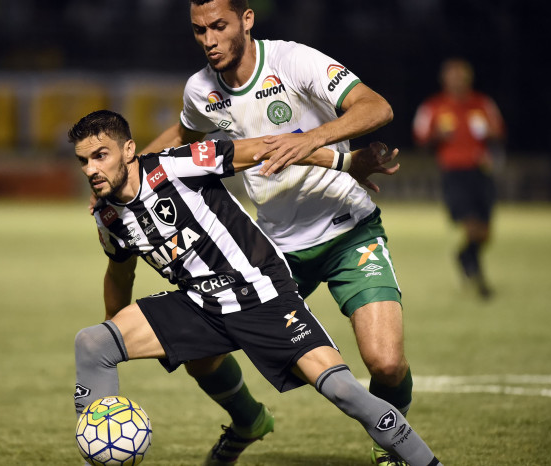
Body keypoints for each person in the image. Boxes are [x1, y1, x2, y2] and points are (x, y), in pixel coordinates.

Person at [69, 109, 442, 466]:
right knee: (93, 343)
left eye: (100, 155)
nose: (92, 169)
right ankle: (97, 458)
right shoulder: (108, 216)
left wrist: (343, 163)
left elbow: (266, 148)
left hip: (259, 292)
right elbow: (119, 274)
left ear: (129, 149)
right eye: (84, 161)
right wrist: (112, 328)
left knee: (343, 391)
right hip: (199, 303)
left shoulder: (176, 165)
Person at [134, 1, 413, 464]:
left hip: (347, 229)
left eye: (219, 26)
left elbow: (376, 106)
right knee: (199, 352)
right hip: (272, 249)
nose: (208, 40)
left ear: (246, 20)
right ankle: (248, 420)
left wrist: (314, 137)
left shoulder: (292, 61)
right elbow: (182, 137)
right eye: (199, 30)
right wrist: (129, 172)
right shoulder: (199, 90)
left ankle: (394, 447)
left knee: (385, 362)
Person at [413, 58, 506, 299]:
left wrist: (489, 133)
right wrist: (437, 135)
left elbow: (499, 130)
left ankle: (464, 256)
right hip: (453, 173)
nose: (457, 81)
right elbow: (421, 137)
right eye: (452, 76)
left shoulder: (482, 103)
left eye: (461, 76)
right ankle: (481, 282)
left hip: (481, 171)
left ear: (469, 78)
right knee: (472, 225)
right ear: (444, 79)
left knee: (485, 232)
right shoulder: (434, 106)